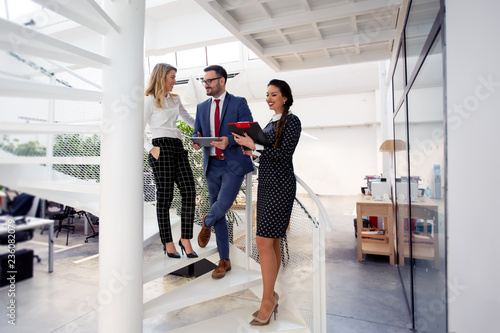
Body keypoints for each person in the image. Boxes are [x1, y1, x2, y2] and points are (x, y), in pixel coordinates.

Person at [232, 79, 301, 326]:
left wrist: (256, 147)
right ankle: (270, 295)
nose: (269, 98)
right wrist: (251, 149)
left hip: (281, 186)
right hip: (268, 184)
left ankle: (266, 301)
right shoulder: (272, 123)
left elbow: (284, 155)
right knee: (270, 242)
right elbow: (268, 153)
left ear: (285, 97)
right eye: (267, 94)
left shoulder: (292, 121)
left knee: (263, 240)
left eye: (274, 94)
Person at [192, 65, 254, 278]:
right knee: (219, 212)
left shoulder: (238, 103)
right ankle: (224, 261)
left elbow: (248, 132)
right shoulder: (201, 107)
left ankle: (206, 222)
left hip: (232, 164)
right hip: (212, 164)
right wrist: (197, 140)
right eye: (205, 81)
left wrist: (230, 141)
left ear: (222, 81)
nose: (206, 84)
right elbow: (196, 131)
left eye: (210, 80)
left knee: (223, 204)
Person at [144, 63, 198, 259]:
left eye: (175, 77)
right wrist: (151, 148)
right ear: (161, 77)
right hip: (161, 148)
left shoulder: (175, 99)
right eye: (172, 77)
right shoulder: (149, 99)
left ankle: (185, 239)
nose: (175, 81)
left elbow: (188, 119)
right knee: (165, 198)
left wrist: (201, 132)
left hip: (177, 147)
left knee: (189, 191)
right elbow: (138, 127)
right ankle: (168, 242)